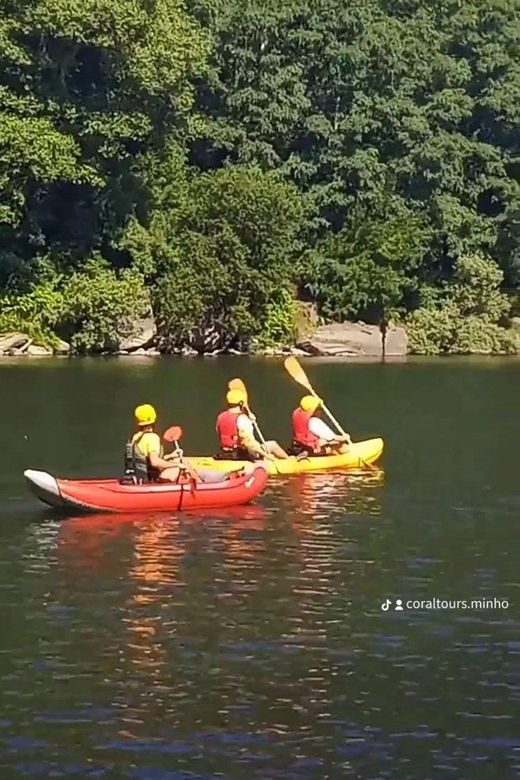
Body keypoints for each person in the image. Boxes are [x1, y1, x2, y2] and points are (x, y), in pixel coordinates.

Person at [125, 404, 201, 483]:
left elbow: (145, 460)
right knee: (183, 463)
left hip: (136, 479)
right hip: (149, 481)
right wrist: (177, 465)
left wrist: (171, 455)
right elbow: (154, 462)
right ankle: (201, 487)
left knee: (176, 460)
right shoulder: (152, 437)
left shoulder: (135, 437)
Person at [216, 389, 289, 461]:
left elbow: (220, 433)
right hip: (242, 454)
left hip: (226, 452)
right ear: (241, 403)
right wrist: (266, 455)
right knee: (272, 444)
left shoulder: (220, 416)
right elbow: (249, 443)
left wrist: (249, 418)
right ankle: (290, 461)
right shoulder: (242, 419)